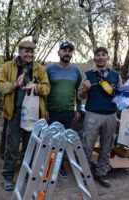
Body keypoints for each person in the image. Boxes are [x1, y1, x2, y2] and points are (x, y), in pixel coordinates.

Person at [0, 41, 50, 191]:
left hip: (34, 113)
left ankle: (27, 173)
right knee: (12, 146)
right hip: (15, 112)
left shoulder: (39, 68)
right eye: (26, 51)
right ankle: (8, 176)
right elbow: (0, 86)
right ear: (20, 52)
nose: (29, 54)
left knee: (30, 145)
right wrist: (14, 84)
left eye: (32, 52)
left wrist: (35, 87)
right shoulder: (9, 66)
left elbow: (46, 88)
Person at [78, 47, 123, 188]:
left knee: (106, 147)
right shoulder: (88, 75)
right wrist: (85, 89)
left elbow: (121, 97)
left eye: (103, 55)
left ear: (107, 58)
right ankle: (84, 175)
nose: (101, 57)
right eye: (98, 55)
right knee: (87, 146)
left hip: (110, 115)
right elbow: (80, 96)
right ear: (94, 59)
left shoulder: (116, 75)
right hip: (92, 115)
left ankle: (101, 173)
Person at [45, 42, 82, 178]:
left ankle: (59, 166)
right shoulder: (50, 70)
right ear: (59, 52)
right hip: (52, 111)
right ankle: (49, 165)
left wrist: (78, 109)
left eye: (69, 51)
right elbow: (44, 92)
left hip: (68, 112)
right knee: (51, 140)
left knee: (63, 141)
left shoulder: (76, 71)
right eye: (64, 50)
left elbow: (79, 92)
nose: (67, 53)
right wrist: (45, 109)